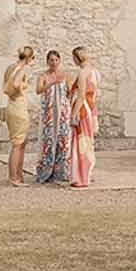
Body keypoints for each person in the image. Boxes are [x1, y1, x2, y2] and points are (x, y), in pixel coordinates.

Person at [34, 49, 73, 184]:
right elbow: (38, 90)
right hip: (49, 113)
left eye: (56, 60)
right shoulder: (43, 76)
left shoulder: (66, 75)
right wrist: (51, 83)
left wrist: (68, 108)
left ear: (59, 61)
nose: (54, 62)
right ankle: (45, 171)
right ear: (47, 61)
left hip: (62, 112)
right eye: (51, 60)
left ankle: (61, 171)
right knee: (48, 139)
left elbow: (70, 92)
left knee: (63, 139)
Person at [2, 46, 35, 187]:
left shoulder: (10, 67)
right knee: (17, 144)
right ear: (28, 58)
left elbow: (6, 84)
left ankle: (19, 175)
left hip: (11, 105)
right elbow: (15, 84)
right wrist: (22, 88)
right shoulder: (21, 70)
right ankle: (14, 177)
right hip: (18, 106)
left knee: (21, 143)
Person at [69, 45, 99, 189]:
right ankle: (86, 173)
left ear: (76, 58)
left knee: (81, 143)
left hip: (83, 109)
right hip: (91, 109)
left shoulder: (83, 73)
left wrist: (73, 114)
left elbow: (80, 96)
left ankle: (81, 177)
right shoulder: (95, 72)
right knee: (87, 143)